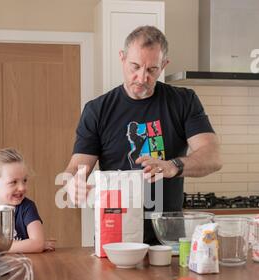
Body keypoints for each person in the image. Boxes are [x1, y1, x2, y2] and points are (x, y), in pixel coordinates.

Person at [63, 25, 222, 244]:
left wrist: (172, 165)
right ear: (122, 58)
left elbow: (212, 156)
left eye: (152, 70)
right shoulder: (97, 110)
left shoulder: (183, 101)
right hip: (115, 231)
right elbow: (78, 166)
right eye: (135, 67)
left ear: (164, 65)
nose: (141, 77)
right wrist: (73, 181)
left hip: (167, 235)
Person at [0, 148, 55, 253]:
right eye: (13, 182)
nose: (22, 188)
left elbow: (37, 244)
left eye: (24, 180)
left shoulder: (27, 207)